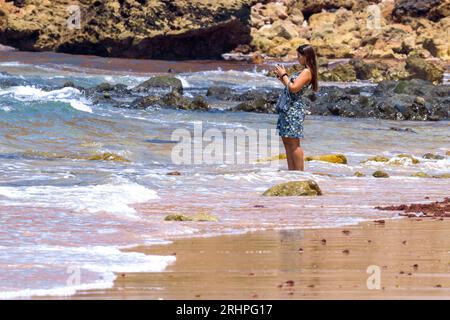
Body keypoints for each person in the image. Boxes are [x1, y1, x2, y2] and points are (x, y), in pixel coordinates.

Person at [274, 44, 319, 171]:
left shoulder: (306, 71)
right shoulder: (304, 71)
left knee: (293, 143)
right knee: (287, 141)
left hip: (293, 109)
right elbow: (291, 86)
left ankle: (299, 173)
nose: (297, 58)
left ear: (306, 56)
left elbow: (293, 89)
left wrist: (284, 75)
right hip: (288, 108)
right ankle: (291, 172)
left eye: (299, 56)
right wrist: (282, 78)